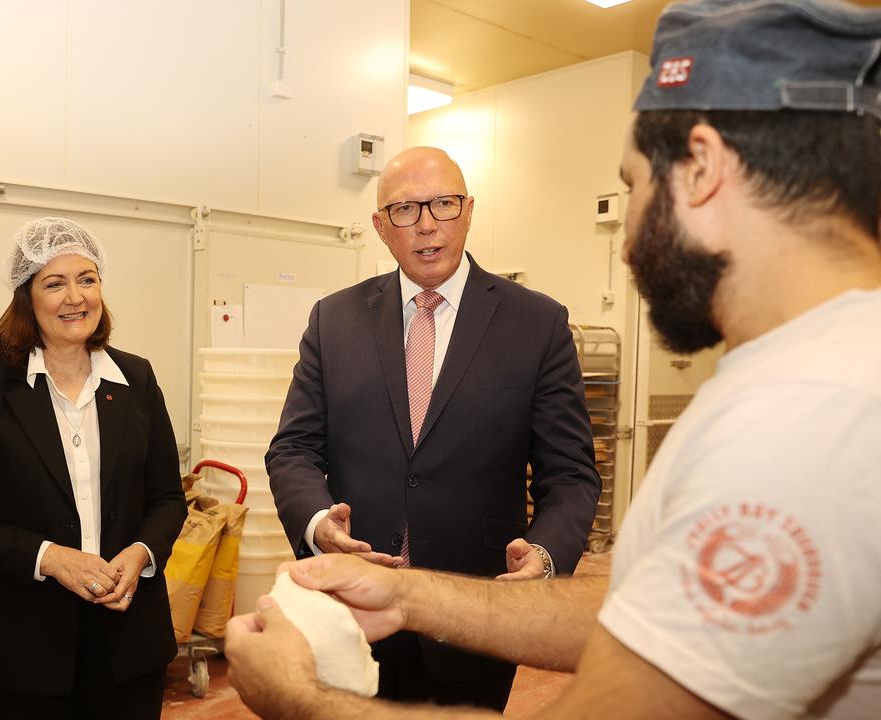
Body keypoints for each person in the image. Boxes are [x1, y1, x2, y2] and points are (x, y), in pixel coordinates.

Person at [228, 0, 881, 717]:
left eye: (632, 186)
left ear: (701, 168)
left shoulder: (809, 420)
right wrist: (409, 593)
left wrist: (298, 700)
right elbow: (643, 617)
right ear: (381, 226)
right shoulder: (815, 378)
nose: (628, 233)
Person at [265, 144, 601, 706]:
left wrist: (544, 556)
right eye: (405, 210)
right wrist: (319, 523)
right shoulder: (334, 320)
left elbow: (569, 474)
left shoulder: (536, 323)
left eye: (443, 205)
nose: (426, 226)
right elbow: (293, 449)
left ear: (469, 211)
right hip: (355, 611)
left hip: (477, 610)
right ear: (379, 226)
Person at [0, 216, 186, 718]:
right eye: (55, 283)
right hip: (23, 647)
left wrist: (140, 553)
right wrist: (50, 557)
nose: (76, 297)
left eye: (87, 279)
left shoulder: (136, 377)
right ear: (27, 297)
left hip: (127, 639)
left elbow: (166, 498)